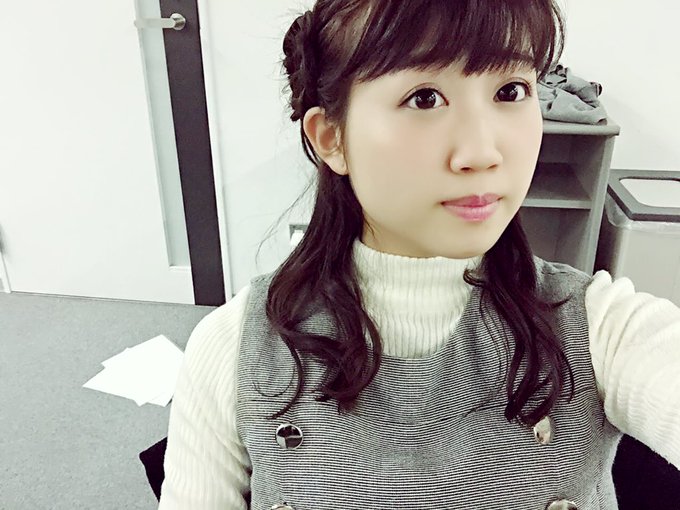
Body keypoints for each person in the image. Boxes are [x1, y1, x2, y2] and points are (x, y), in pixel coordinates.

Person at [158, 1, 680, 508]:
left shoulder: (602, 328)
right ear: (332, 138)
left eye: (511, 90)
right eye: (425, 98)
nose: (482, 152)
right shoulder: (233, 349)